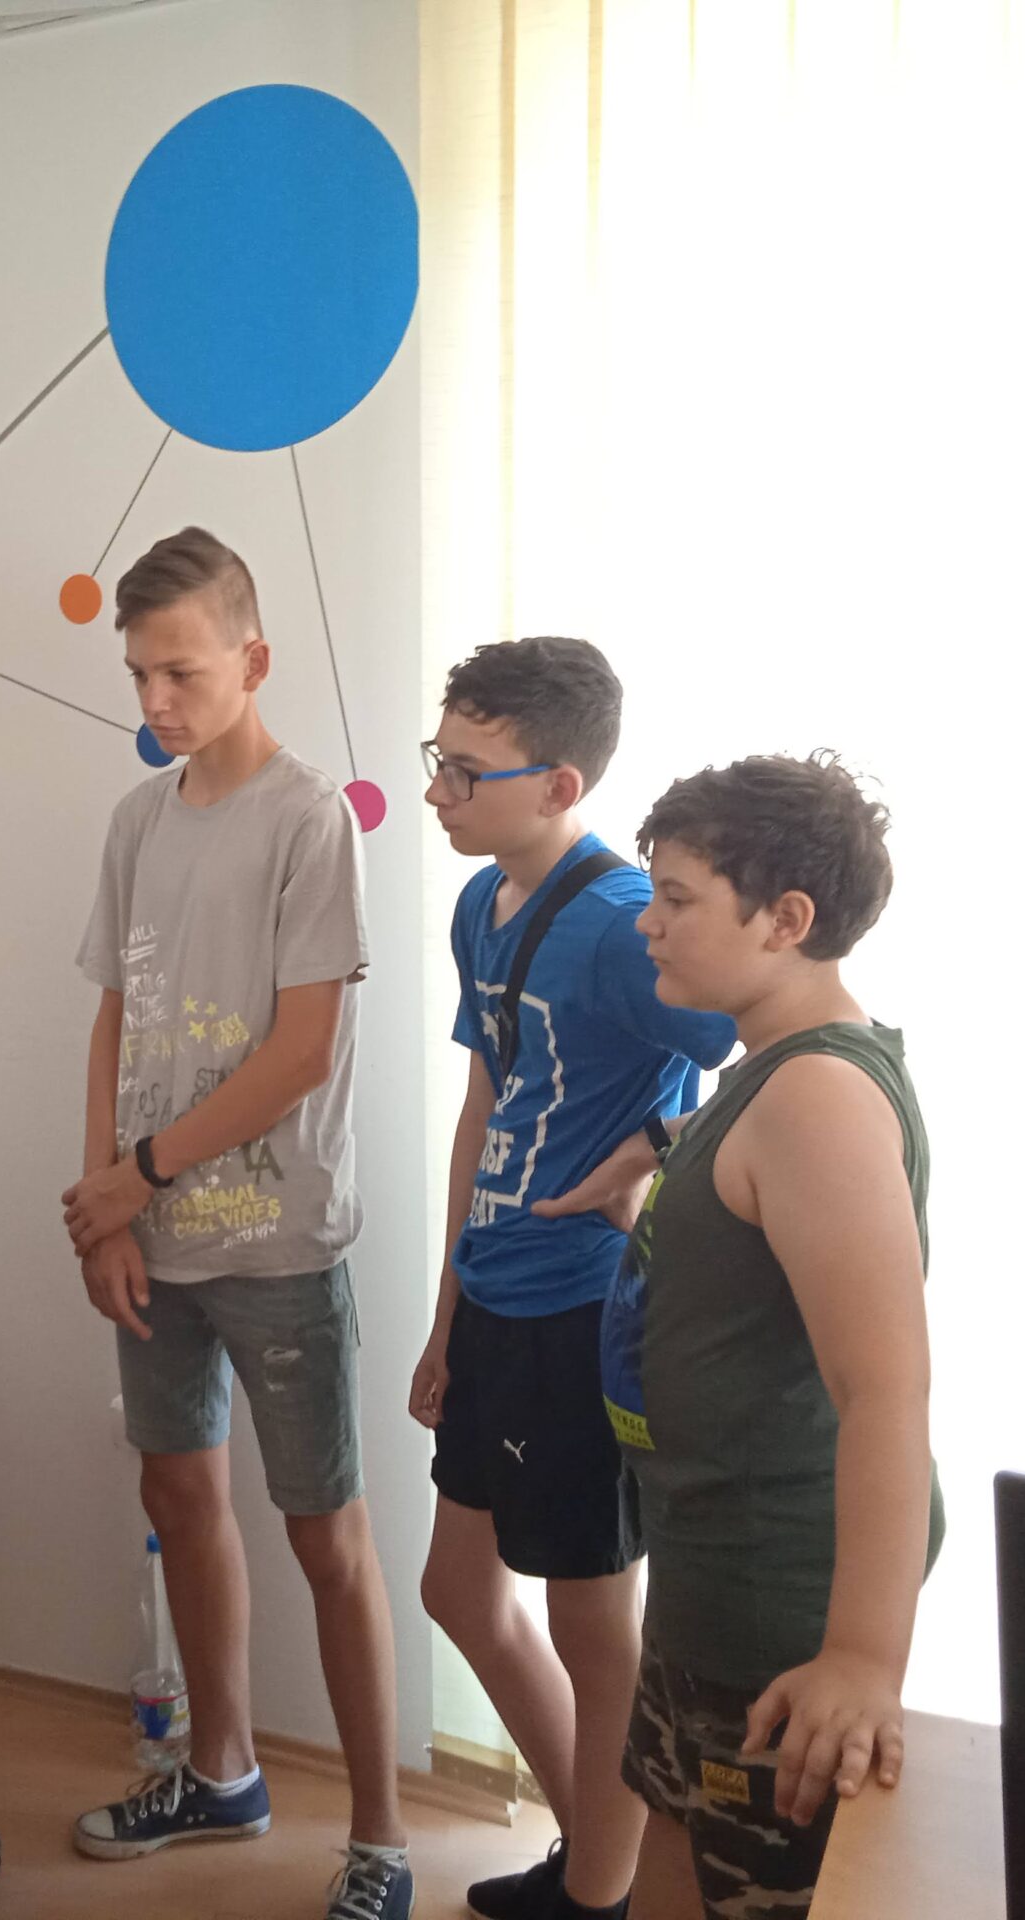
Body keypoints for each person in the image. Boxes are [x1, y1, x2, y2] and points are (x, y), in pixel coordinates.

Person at [59, 527, 410, 1920]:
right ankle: (221, 1774)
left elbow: (301, 1052)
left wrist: (136, 1172)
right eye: (139, 676)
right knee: (179, 1497)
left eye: (182, 673)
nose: (156, 702)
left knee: (326, 1537)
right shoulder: (136, 823)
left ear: (252, 660)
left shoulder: (310, 820)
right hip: (153, 1242)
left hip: (276, 1246)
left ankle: (380, 1838)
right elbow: (113, 1016)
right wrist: (106, 1203)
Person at [578, 752, 941, 1917]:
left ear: (785, 921)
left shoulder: (818, 1101)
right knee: (672, 1869)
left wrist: (862, 1660)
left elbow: (886, 1392)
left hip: (774, 1623)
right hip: (703, 1581)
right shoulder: (764, 1074)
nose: (647, 924)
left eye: (676, 899)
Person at [411, 639, 735, 1920]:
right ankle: (599, 1858)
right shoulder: (478, 904)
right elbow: (485, 1104)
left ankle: (600, 1894)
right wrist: (446, 1311)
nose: (436, 791)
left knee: (595, 1630)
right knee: (457, 1589)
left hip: (583, 1309)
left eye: (464, 771)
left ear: (560, 785)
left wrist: (648, 1148)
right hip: (496, 1291)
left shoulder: (617, 921)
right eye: (436, 760)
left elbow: (772, 1052)